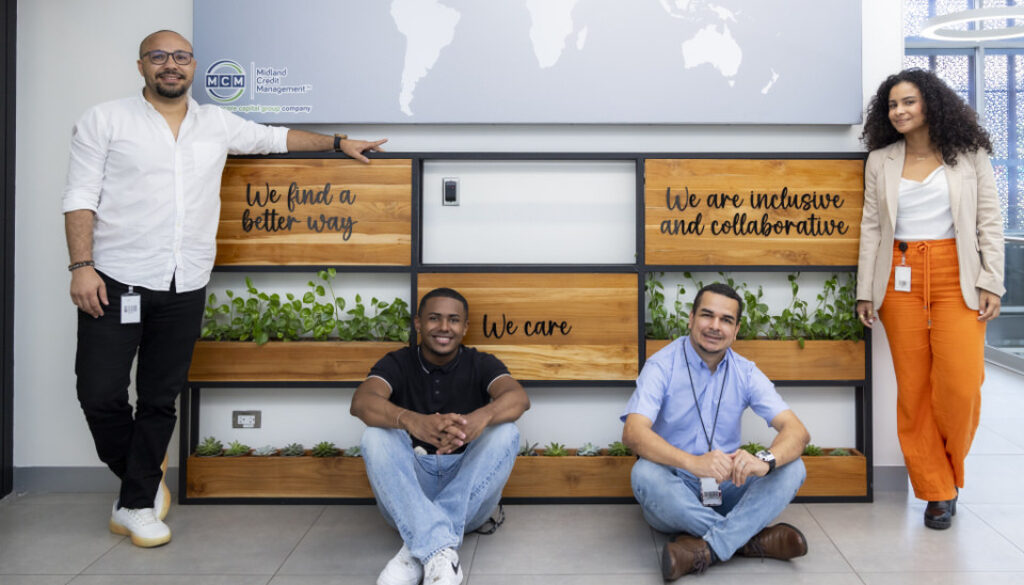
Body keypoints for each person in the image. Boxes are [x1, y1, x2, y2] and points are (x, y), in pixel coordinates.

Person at [61, 29, 387, 548]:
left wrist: (337, 143)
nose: (172, 65)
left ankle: (138, 504)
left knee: (159, 398)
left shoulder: (216, 123)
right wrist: (81, 265)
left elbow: (275, 137)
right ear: (141, 65)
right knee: (97, 393)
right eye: (160, 57)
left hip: (184, 281)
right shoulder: (104, 120)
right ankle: (138, 480)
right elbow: (80, 197)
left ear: (193, 66)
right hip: (115, 279)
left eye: (181, 57)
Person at [856, 68, 1004, 530]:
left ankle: (948, 472)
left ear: (930, 105)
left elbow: (989, 222)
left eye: (908, 102)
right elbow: (872, 229)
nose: (899, 111)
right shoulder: (880, 160)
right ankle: (937, 491)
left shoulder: (969, 155)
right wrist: (866, 290)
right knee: (914, 390)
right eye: (892, 106)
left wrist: (991, 281)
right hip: (897, 277)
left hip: (956, 274)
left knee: (961, 386)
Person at [622, 283, 811, 581]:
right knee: (644, 474)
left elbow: (796, 431)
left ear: (736, 330)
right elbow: (633, 433)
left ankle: (706, 548)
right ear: (691, 318)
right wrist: (692, 463)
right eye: (707, 316)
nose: (714, 326)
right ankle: (751, 540)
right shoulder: (661, 365)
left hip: (727, 482)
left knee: (792, 467)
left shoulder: (746, 371)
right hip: (675, 482)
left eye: (726, 320)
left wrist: (765, 460)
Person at [350, 287, 530, 585]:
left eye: (453, 320)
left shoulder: (481, 363)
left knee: (505, 431)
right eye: (434, 318)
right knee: (375, 435)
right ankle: (439, 550)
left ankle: (416, 548)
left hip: (468, 491)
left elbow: (518, 398)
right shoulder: (397, 362)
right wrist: (410, 420)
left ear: (465, 327)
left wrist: (480, 418)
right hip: (407, 493)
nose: (445, 327)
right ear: (418, 323)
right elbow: (361, 402)